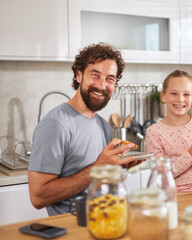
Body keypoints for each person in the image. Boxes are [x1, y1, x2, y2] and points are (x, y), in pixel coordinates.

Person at [28, 43, 138, 216]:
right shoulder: (55, 124)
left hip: (105, 221)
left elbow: (95, 181)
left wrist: (115, 169)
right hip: (73, 228)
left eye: (110, 79)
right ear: (79, 75)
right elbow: (38, 197)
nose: (102, 85)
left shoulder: (102, 125)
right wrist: (98, 168)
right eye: (95, 75)